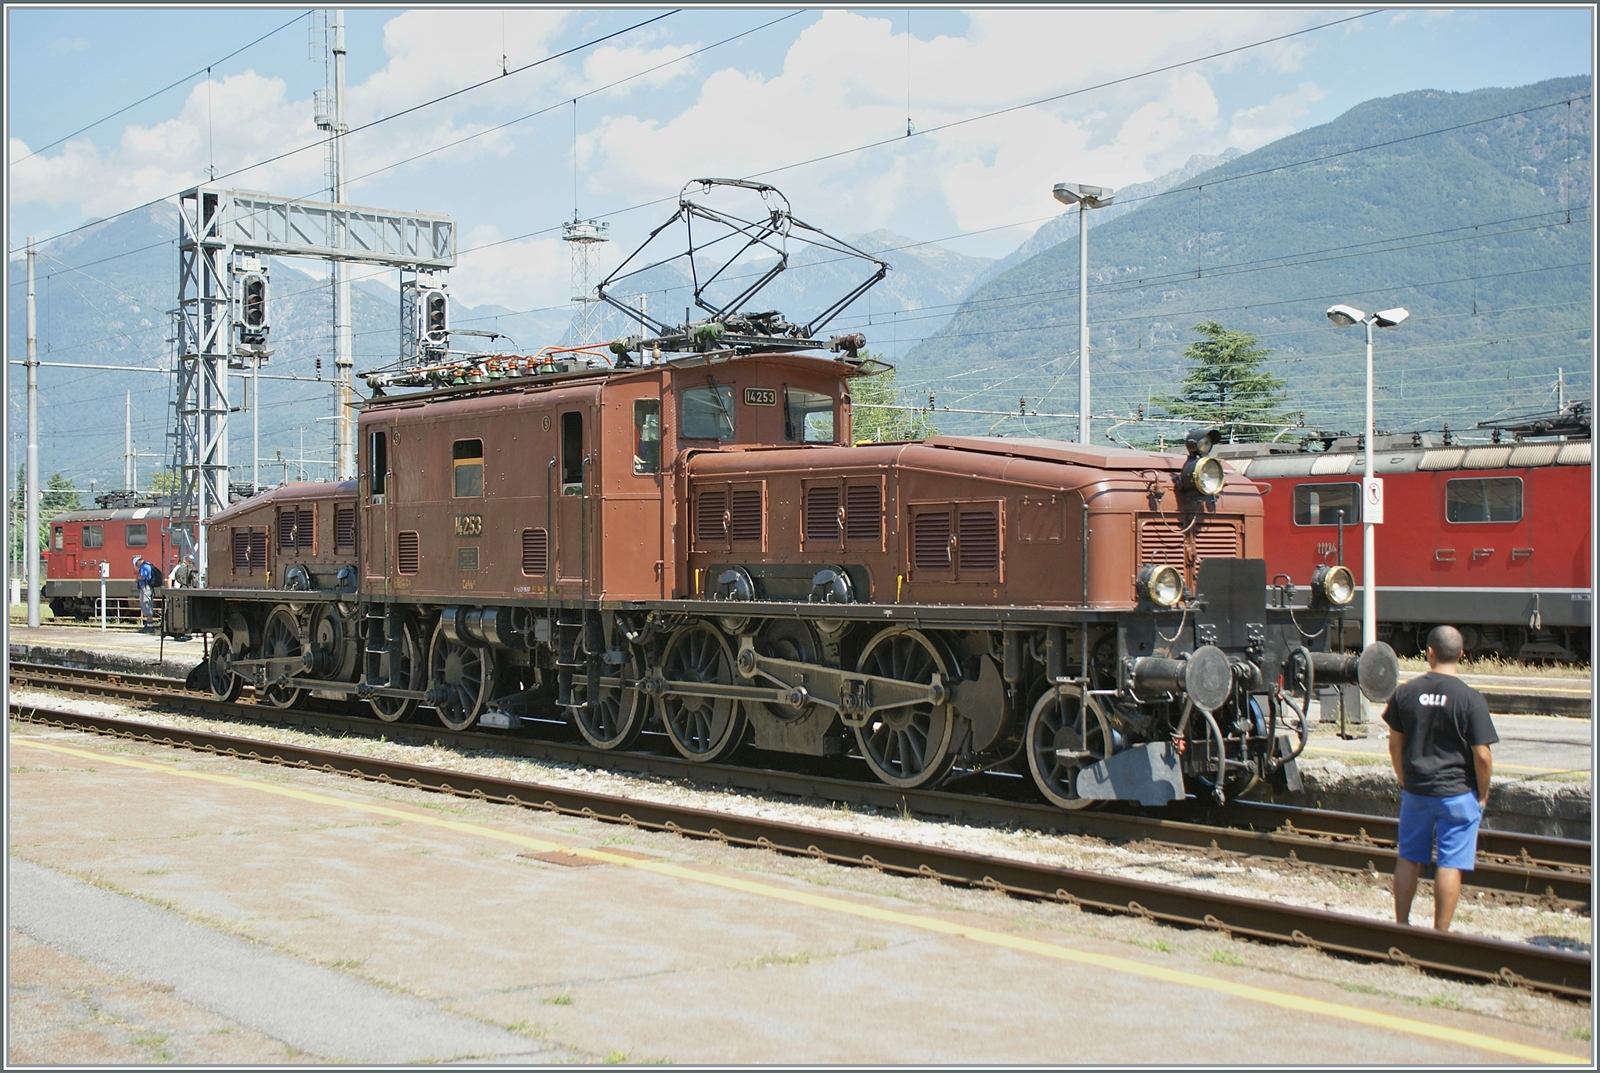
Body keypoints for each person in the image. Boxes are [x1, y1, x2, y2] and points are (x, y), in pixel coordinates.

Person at [1384, 625, 1498, 931]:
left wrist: (1403, 777)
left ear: (1429, 652)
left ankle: (1401, 924)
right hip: (1458, 793)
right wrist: (1483, 792)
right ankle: (1441, 933)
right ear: (1462, 654)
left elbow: (1394, 743)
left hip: (1417, 790)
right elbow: (1482, 755)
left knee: (1408, 856)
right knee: (1451, 863)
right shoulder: (1470, 699)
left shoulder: (1405, 692)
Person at [134, 554, 156, 632]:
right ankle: (148, 624)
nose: (137, 566)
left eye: (136, 564)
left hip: (146, 587)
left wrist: (138, 579)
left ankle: (150, 625)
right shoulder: (147, 565)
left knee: (146, 604)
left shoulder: (144, 566)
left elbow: (144, 577)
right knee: (146, 604)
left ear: (138, 562)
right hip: (146, 587)